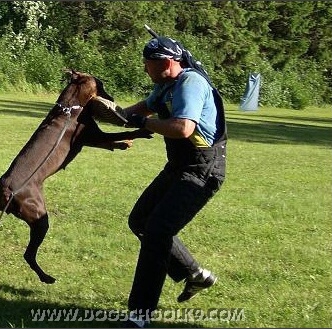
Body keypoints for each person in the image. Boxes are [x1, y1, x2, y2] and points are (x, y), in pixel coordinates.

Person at [119, 35, 227, 328]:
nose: (144, 69)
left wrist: (142, 124)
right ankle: (194, 275)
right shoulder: (165, 85)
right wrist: (101, 110)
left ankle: (139, 316)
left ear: (167, 62)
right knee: (141, 220)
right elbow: (140, 109)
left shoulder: (190, 83)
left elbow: (183, 128)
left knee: (157, 231)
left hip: (202, 169)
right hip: (179, 166)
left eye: (148, 64)